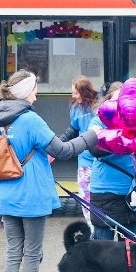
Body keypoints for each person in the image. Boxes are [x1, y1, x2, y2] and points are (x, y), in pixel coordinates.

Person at [0, 69, 98, 272]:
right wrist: (91, 136)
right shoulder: (30, 120)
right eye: (35, 89)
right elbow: (62, 151)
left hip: (6, 194)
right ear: (26, 92)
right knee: (32, 255)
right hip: (32, 196)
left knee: (13, 253)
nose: (37, 95)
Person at [84, 82, 136, 272]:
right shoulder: (99, 120)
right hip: (105, 188)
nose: (124, 104)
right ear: (108, 100)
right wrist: (120, 136)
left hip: (131, 190)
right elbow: (95, 149)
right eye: (118, 99)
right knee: (102, 239)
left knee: (131, 240)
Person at [58, 76, 99, 228]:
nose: (73, 96)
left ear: (84, 91)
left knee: (99, 198)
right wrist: (59, 143)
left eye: (76, 93)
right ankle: (92, 228)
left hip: (100, 160)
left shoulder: (99, 106)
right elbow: (73, 130)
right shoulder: (75, 109)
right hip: (85, 161)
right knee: (86, 198)